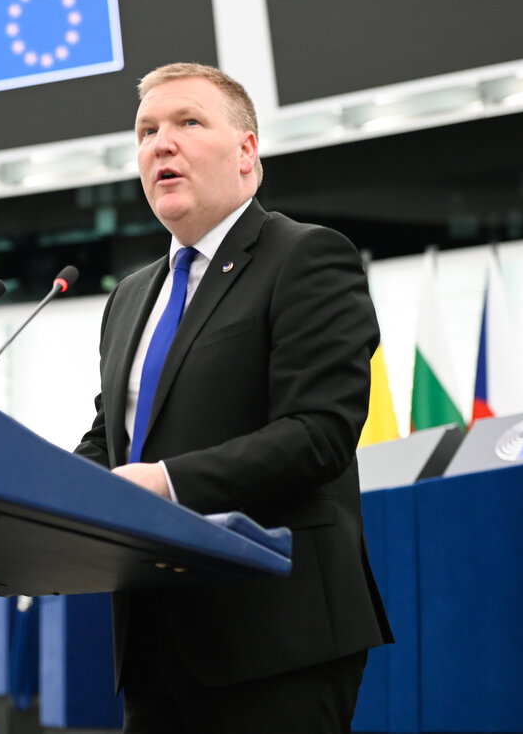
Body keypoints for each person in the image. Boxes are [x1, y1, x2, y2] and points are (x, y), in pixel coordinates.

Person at [74, 63, 392, 733]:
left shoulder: (305, 257)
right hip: (154, 641)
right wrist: (39, 490)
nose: (161, 143)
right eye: (147, 130)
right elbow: (113, 440)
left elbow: (317, 434)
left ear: (247, 152)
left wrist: (163, 483)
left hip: (276, 635)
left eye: (188, 122)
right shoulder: (130, 295)